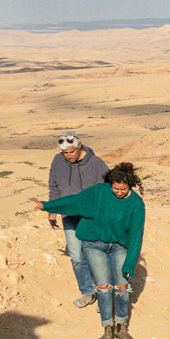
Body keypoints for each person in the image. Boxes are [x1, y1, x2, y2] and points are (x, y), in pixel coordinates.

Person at [31, 162, 145, 339]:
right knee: (103, 287)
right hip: (94, 245)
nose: (119, 193)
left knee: (122, 287)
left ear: (130, 186)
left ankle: (121, 327)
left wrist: (130, 263)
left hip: (119, 246)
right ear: (110, 184)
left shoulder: (136, 204)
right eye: (116, 188)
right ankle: (107, 328)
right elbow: (74, 202)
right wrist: (46, 205)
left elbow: (136, 235)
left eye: (123, 190)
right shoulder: (99, 193)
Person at [48, 131, 110, 309]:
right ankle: (88, 292)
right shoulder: (58, 161)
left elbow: (108, 189)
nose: (68, 156)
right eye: (65, 153)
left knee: (96, 255)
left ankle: (105, 293)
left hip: (92, 217)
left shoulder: (96, 164)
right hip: (69, 216)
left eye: (71, 152)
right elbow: (54, 186)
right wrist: (52, 209)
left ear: (80, 146)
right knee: (76, 257)